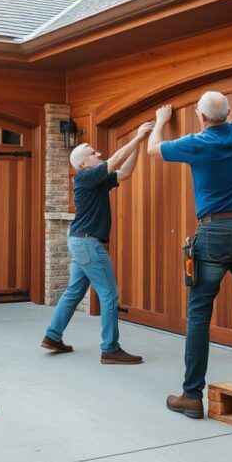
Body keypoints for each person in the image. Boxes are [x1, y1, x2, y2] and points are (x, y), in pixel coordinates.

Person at [147, 44, 232, 419]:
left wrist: (160, 121)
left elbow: (152, 150)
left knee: (199, 314)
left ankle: (192, 396)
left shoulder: (197, 143)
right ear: (226, 114)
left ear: (200, 116)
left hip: (213, 236)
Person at [41, 121, 154, 365]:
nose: (98, 154)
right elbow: (113, 161)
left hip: (79, 242)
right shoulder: (84, 177)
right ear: (83, 163)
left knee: (74, 291)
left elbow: (124, 172)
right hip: (88, 244)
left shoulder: (95, 180)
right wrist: (137, 136)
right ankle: (110, 348)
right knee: (109, 293)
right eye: (93, 153)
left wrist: (138, 145)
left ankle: (52, 336)